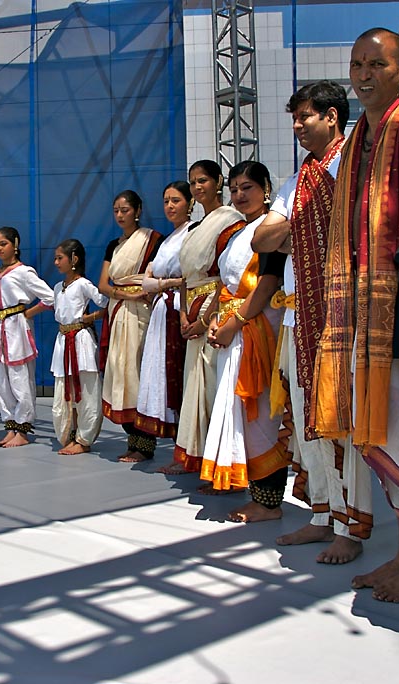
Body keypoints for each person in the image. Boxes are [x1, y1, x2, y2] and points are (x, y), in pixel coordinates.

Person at [310, 27, 399, 601]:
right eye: (356, 65)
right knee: (386, 424)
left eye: (376, 64)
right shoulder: (358, 142)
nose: (363, 75)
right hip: (364, 304)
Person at [251, 81, 370, 562]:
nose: (297, 126)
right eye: (295, 117)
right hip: (299, 318)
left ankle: (352, 526)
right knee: (306, 420)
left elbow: (288, 231)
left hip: (341, 312)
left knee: (338, 418)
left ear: (333, 117)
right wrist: (309, 219)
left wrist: (292, 227)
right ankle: (322, 515)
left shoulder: (353, 165)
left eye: (305, 117)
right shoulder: (300, 178)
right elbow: (263, 239)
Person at [202, 161, 291, 521]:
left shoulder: (270, 229)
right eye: (235, 189)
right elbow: (225, 285)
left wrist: (234, 322)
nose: (239, 195)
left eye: (248, 188)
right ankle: (253, 489)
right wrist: (214, 319)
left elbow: (268, 282)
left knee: (260, 412)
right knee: (237, 409)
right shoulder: (237, 232)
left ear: (266, 188)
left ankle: (269, 501)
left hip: (259, 328)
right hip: (233, 329)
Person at [162, 160, 246, 475]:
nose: (198, 188)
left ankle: (218, 463)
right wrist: (184, 313)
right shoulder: (196, 227)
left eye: (203, 181)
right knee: (193, 387)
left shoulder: (231, 221)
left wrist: (205, 315)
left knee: (213, 388)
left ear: (218, 182)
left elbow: (226, 276)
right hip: (191, 310)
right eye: (193, 182)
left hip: (215, 312)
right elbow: (186, 277)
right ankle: (193, 456)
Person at [98, 190, 163, 462]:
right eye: (116, 210)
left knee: (137, 369)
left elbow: (156, 274)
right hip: (119, 310)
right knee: (120, 369)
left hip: (141, 312)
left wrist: (137, 294)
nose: (120, 215)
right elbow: (104, 284)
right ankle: (131, 438)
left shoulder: (152, 241)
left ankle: (145, 444)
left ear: (137, 210)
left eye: (125, 209)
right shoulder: (113, 245)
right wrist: (125, 294)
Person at [0, 226, 54, 448]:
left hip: (18, 329)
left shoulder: (24, 272)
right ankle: (10, 425)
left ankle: (23, 428)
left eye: (3, 244)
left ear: (15, 244)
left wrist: (28, 312)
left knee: (20, 379)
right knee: (2, 381)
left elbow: (50, 297)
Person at [134, 181, 190, 442]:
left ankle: (186, 439)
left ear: (190, 203)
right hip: (162, 309)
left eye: (176, 200)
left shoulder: (193, 232)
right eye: (166, 201)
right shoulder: (167, 240)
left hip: (180, 307)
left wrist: (162, 284)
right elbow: (145, 282)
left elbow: (189, 276)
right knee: (161, 372)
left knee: (178, 373)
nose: (170, 206)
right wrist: (168, 283)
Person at [50, 239, 108, 454]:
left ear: (73, 259)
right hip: (63, 341)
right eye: (55, 258)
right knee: (65, 391)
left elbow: (106, 304)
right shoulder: (58, 287)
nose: (56, 262)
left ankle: (84, 439)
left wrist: (90, 317)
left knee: (85, 390)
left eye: (59, 258)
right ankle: (70, 434)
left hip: (81, 341)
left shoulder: (83, 284)